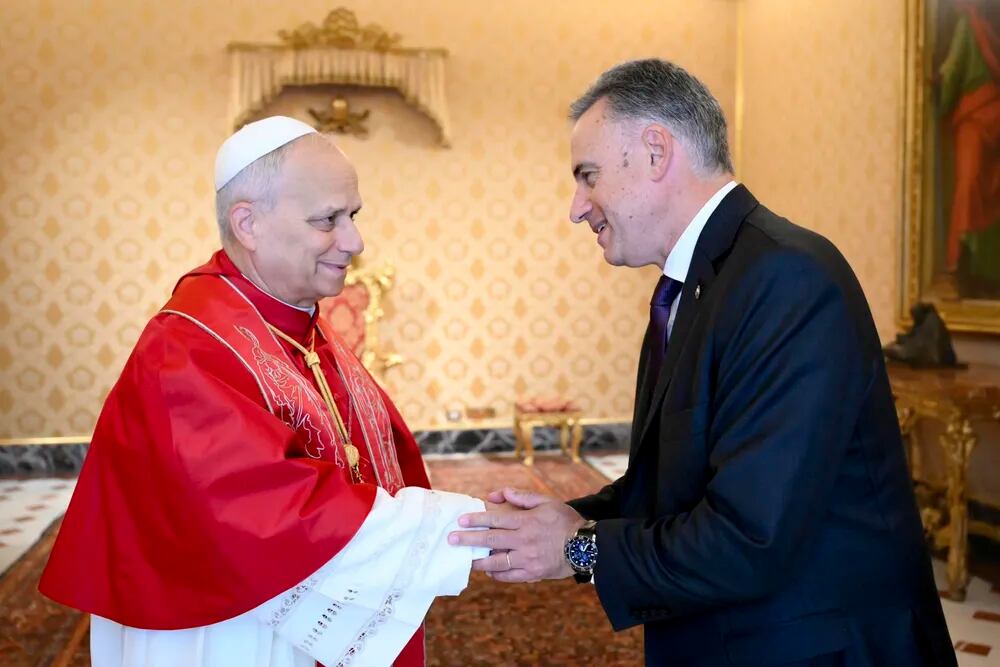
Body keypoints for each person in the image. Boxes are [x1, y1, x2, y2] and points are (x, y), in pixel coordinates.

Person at [450, 59, 957, 666]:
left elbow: (751, 538)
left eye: (589, 176)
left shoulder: (786, 276)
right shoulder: (698, 283)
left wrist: (579, 549)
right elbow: (671, 488)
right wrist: (561, 521)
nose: (577, 207)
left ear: (656, 151)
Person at [40, 116, 491, 667]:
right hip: (230, 630)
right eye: (328, 220)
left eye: (353, 215)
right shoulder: (187, 343)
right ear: (248, 224)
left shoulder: (298, 325)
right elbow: (266, 506)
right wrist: (468, 528)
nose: (355, 241)